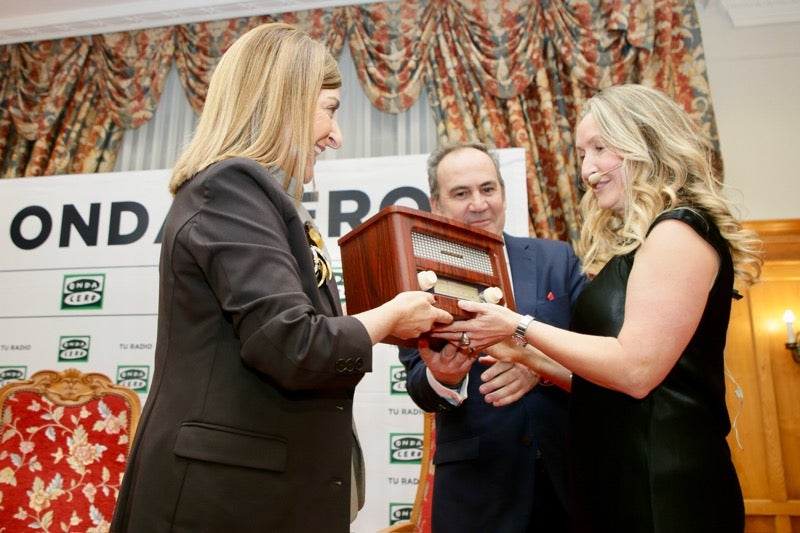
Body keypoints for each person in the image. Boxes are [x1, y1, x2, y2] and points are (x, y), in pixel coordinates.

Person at [110, 22, 452, 533]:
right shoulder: (231, 186)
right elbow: (291, 343)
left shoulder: (256, 196)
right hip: (221, 503)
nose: (337, 137)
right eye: (330, 110)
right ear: (282, 100)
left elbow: (285, 332)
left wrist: (386, 326)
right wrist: (389, 316)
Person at [436, 84, 763, 532]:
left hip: (661, 485)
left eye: (600, 148)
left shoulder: (679, 231)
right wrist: (527, 356)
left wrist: (518, 328)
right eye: (581, 153)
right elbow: (604, 379)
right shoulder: (644, 244)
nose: (587, 169)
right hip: (619, 481)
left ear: (644, 143)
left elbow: (635, 371)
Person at [399, 140, 587, 532]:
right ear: (437, 204)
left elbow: (600, 354)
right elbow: (420, 384)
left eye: (488, 189)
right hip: (478, 496)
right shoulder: (417, 280)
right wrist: (445, 376)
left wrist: (535, 366)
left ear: (503, 192)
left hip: (570, 486)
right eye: (461, 193)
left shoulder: (558, 260)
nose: (478, 204)